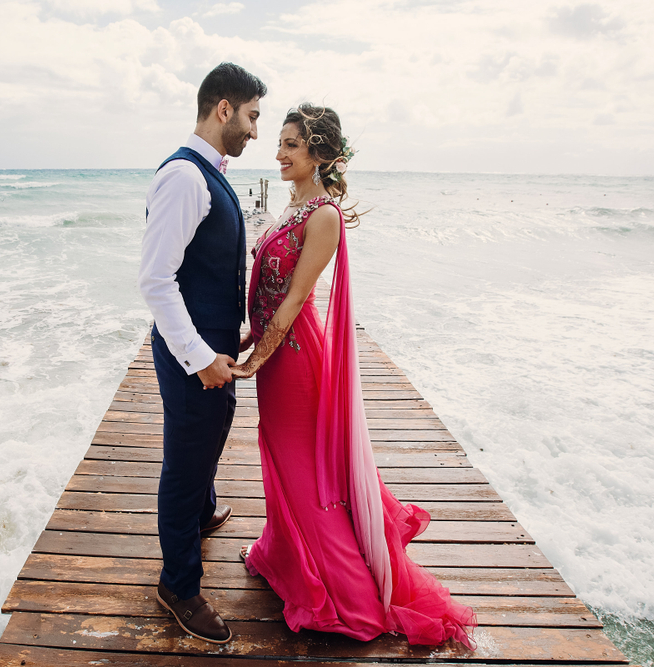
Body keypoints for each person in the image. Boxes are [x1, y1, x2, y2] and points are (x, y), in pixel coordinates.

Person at [230, 104, 477, 648]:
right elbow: (270, 297)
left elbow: (295, 301)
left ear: (320, 153)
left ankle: (349, 598)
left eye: (292, 144)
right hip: (276, 353)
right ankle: (285, 555)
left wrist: (258, 359)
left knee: (306, 474)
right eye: (280, 142)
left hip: (294, 360)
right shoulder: (292, 205)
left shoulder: (323, 216)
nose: (279, 153)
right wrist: (249, 338)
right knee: (281, 462)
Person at [137, 62, 267, 645]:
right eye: (252, 116)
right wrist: (200, 355)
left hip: (212, 345)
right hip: (192, 356)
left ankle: (201, 511)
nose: (256, 131)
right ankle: (179, 585)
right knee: (186, 461)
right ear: (223, 108)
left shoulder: (208, 173)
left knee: (217, 429)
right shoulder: (185, 178)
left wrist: (228, 330)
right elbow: (156, 282)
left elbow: (205, 266)